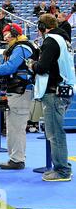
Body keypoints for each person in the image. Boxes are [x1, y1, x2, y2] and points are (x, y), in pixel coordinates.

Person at [0, 23, 38, 169]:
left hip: (21, 91)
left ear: (14, 33)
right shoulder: (19, 47)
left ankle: (17, 160)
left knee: (16, 127)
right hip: (17, 90)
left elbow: (10, 67)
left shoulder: (21, 48)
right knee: (12, 126)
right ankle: (15, 158)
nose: (5, 37)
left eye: (7, 34)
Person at [28, 14, 74, 182]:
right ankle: (62, 168)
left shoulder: (51, 40)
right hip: (64, 89)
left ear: (42, 27)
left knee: (55, 133)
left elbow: (42, 68)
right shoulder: (64, 40)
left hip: (54, 92)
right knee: (56, 132)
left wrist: (32, 64)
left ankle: (62, 170)